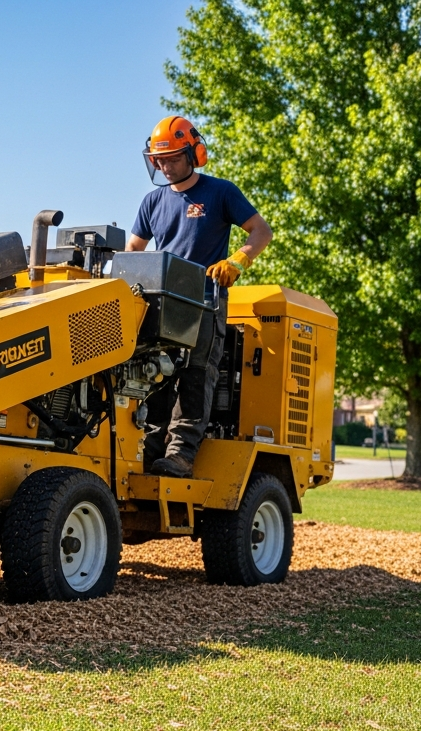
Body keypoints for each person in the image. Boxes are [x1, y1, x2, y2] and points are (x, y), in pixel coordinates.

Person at [126, 115, 272, 478]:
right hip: (162, 303)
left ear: (195, 154)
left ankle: (180, 455)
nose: (165, 166)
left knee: (195, 376)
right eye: (159, 160)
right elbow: (134, 250)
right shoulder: (152, 201)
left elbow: (261, 231)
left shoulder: (220, 192)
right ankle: (150, 451)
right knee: (156, 377)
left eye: (173, 158)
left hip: (205, 301)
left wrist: (237, 261)